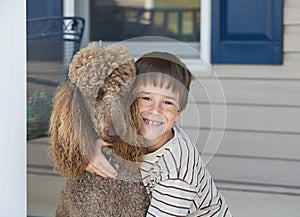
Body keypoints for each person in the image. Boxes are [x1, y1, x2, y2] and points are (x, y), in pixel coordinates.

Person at [89, 51, 232, 216]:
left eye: (167, 102)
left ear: (178, 113)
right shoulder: (129, 128)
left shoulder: (176, 174)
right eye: (146, 98)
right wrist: (90, 150)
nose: (155, 110)